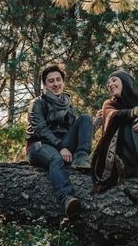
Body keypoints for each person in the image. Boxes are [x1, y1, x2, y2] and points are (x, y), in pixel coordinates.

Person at [26, 65, 93, 217]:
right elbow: (40, 130)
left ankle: (82, 158)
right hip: (39, 146)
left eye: (58, 80)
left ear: (63, 82)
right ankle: (66, 198)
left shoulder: (68, 103)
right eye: (51, 81)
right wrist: (61, 146)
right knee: (56, 159)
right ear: (45, 85)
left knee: (85, 118)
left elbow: (74, 130)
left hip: (61, 145)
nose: (55, 84)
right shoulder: (37, 103)